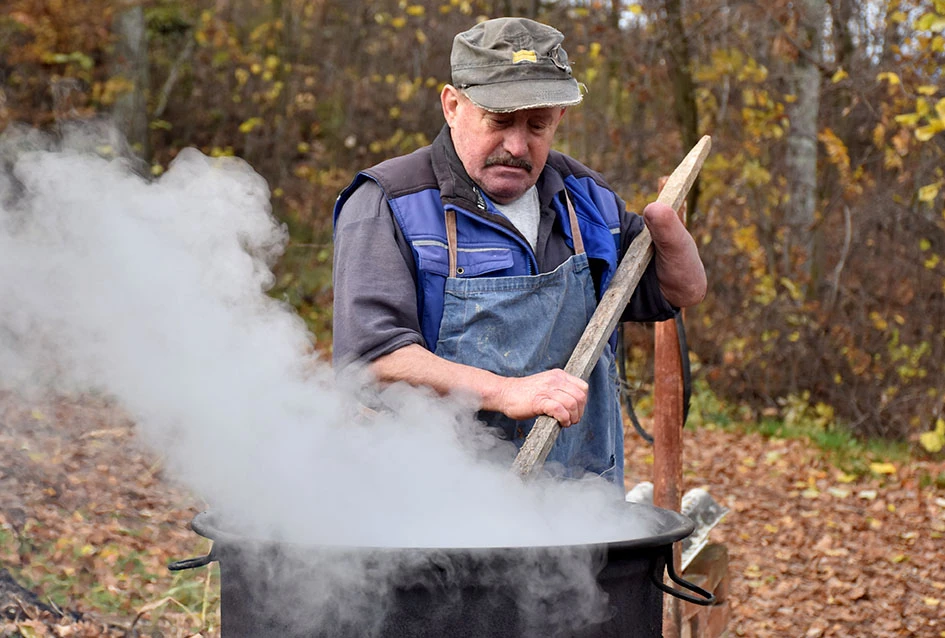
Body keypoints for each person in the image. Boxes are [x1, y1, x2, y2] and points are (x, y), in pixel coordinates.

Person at [332, 17, 706, 484]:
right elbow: (371, 360)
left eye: (537, 124)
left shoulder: (584, 199)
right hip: (430, 503)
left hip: (579, 507)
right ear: (452, 106)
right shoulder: (391, 203)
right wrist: (505, 391)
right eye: (500, 120)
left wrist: (670, 234)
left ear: (559, 119)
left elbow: (675, 292)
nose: (516, 145)